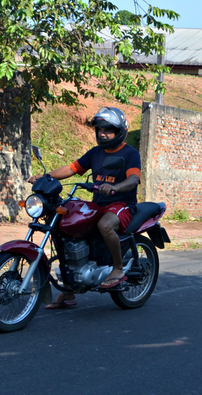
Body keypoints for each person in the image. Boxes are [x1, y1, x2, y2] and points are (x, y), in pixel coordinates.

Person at [26, 107, 141, 309]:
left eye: (108, 130)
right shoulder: (95, 153)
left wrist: (116, 187)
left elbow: (133, 178)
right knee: (65, 225)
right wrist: (46, 176)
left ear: (120, 131)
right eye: (99, 129)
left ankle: (118, 268)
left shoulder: (130, 153)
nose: (102, 133)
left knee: (105, 225)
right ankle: (70, 287)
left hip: (121, 204)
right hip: (98, 204)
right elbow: (72, 168)